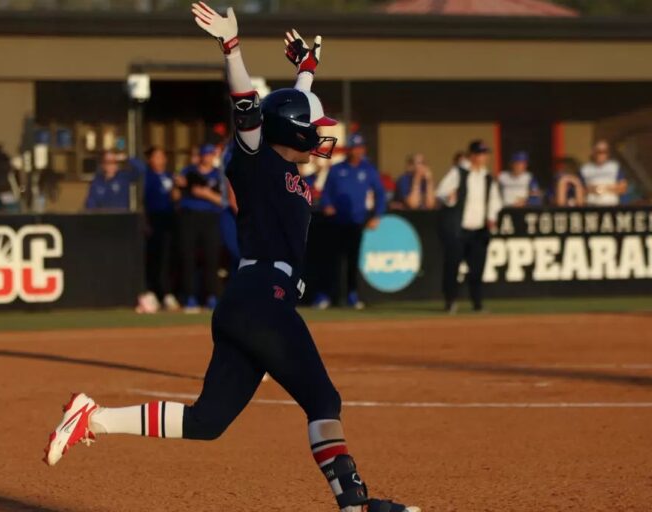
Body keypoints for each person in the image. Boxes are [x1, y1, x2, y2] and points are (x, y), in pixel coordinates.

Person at [43, 8, 420, 512]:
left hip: (248, 301)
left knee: (208, 421)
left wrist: (306, 71)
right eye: (315, 127)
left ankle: (93, 418)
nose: (323, 134)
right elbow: (249, 107)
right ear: (293, 133)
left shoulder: (285, 165)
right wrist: (232, 48)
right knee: (323, 401)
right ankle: (355, 504)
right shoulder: (257, 158)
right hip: (263, 299)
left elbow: (290, 111)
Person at [314, 133, 386, 310]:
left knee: (353, 261)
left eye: (360, 148)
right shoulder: (337, 169)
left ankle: (352, 295)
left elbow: (380, 194)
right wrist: (327, 205)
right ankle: (326, 295)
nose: (357, 151)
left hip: (356, 222)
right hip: (336, 222)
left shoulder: (368, 170)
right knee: (331, 261)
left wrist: (377, 216)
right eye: (354, 148)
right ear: (349, 150)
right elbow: (326, 193)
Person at [436, 139, 502, 314]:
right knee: (452, 266)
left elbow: (494, 200)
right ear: (472, 155)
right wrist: (449, 197)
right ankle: (450, 301)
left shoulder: (487, 177)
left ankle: (477, 302)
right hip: (458, 229)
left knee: (477, 268)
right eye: (480, 154)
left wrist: (491, 217)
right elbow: (441, 191)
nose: (483, 157)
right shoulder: (459, 172)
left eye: (485, 154)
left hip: (479, 230)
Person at [177, 143, 224, 312]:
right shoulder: (189, 172)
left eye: (211, 155)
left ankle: (212, 296)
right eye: (206, 155)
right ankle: (190, 296)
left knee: (211, 258)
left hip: (210, 218)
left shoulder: (218, 175)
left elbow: (223, 201)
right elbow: (176, 195)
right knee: (188, 257)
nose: (208, 158)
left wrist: (206, 194)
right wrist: (178, 185)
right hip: (190, 217)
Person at [141, 146, 180, 312]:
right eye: (156, 157)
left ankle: (167, 293)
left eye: (162, 156)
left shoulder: (171, 176)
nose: (159, 160)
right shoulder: (147, 177)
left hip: (169, 220)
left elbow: (176, 198)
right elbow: (143, 201)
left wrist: (176, 193)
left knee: (168, 257)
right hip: (154, 219)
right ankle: (153, 292)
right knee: (154, 258)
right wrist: (146, 222)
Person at [580, 139, 627, 206]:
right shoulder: (585, 169)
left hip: (611, 205)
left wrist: (603, 188)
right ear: (593, 152)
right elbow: (579, 190)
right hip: (591, 205)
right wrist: (592, 189)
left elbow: (623, 188)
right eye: (598, 151)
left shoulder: (615, 167)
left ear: (608, 153)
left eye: (604, 151)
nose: (601, 154)